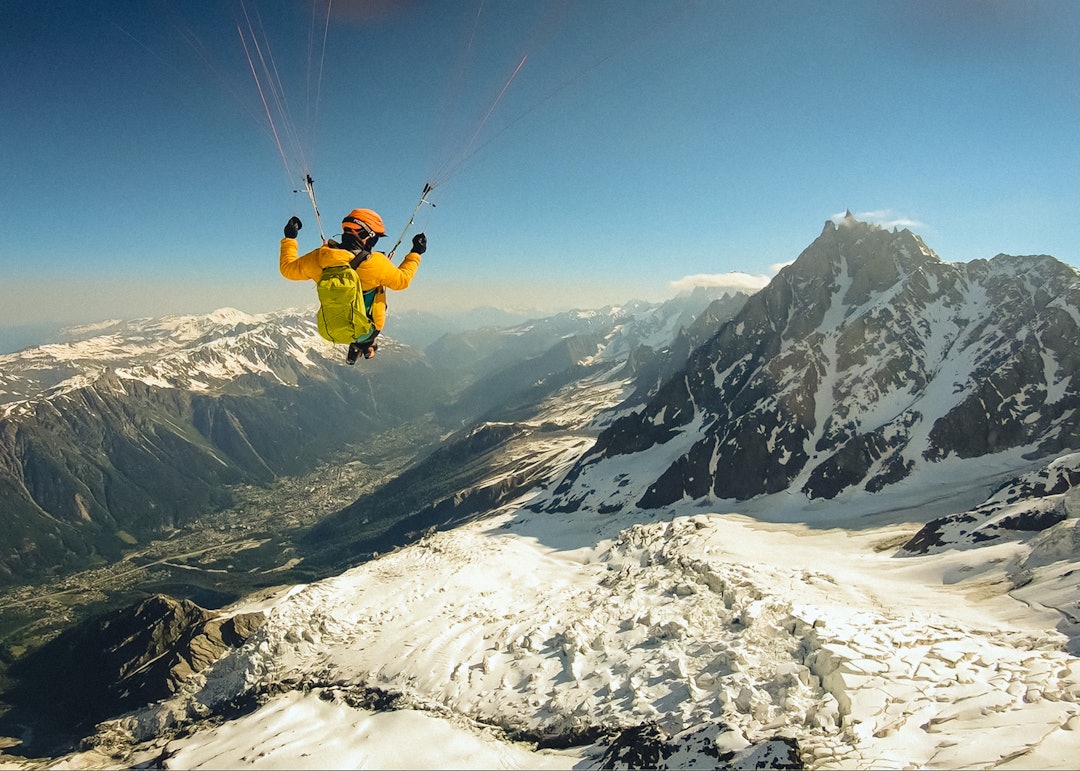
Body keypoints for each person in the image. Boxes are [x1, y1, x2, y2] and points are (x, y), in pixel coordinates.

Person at [279, 209, 426, 364]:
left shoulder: (321, 258)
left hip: (330, 330)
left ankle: (358, 347)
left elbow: (287, 269)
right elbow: (403, 280)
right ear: (367, 235)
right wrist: (416, 252)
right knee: (369, 322)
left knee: (352, 319)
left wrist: (290, 237)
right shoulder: (376, 263)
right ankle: (365, 346)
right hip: (367, 331)